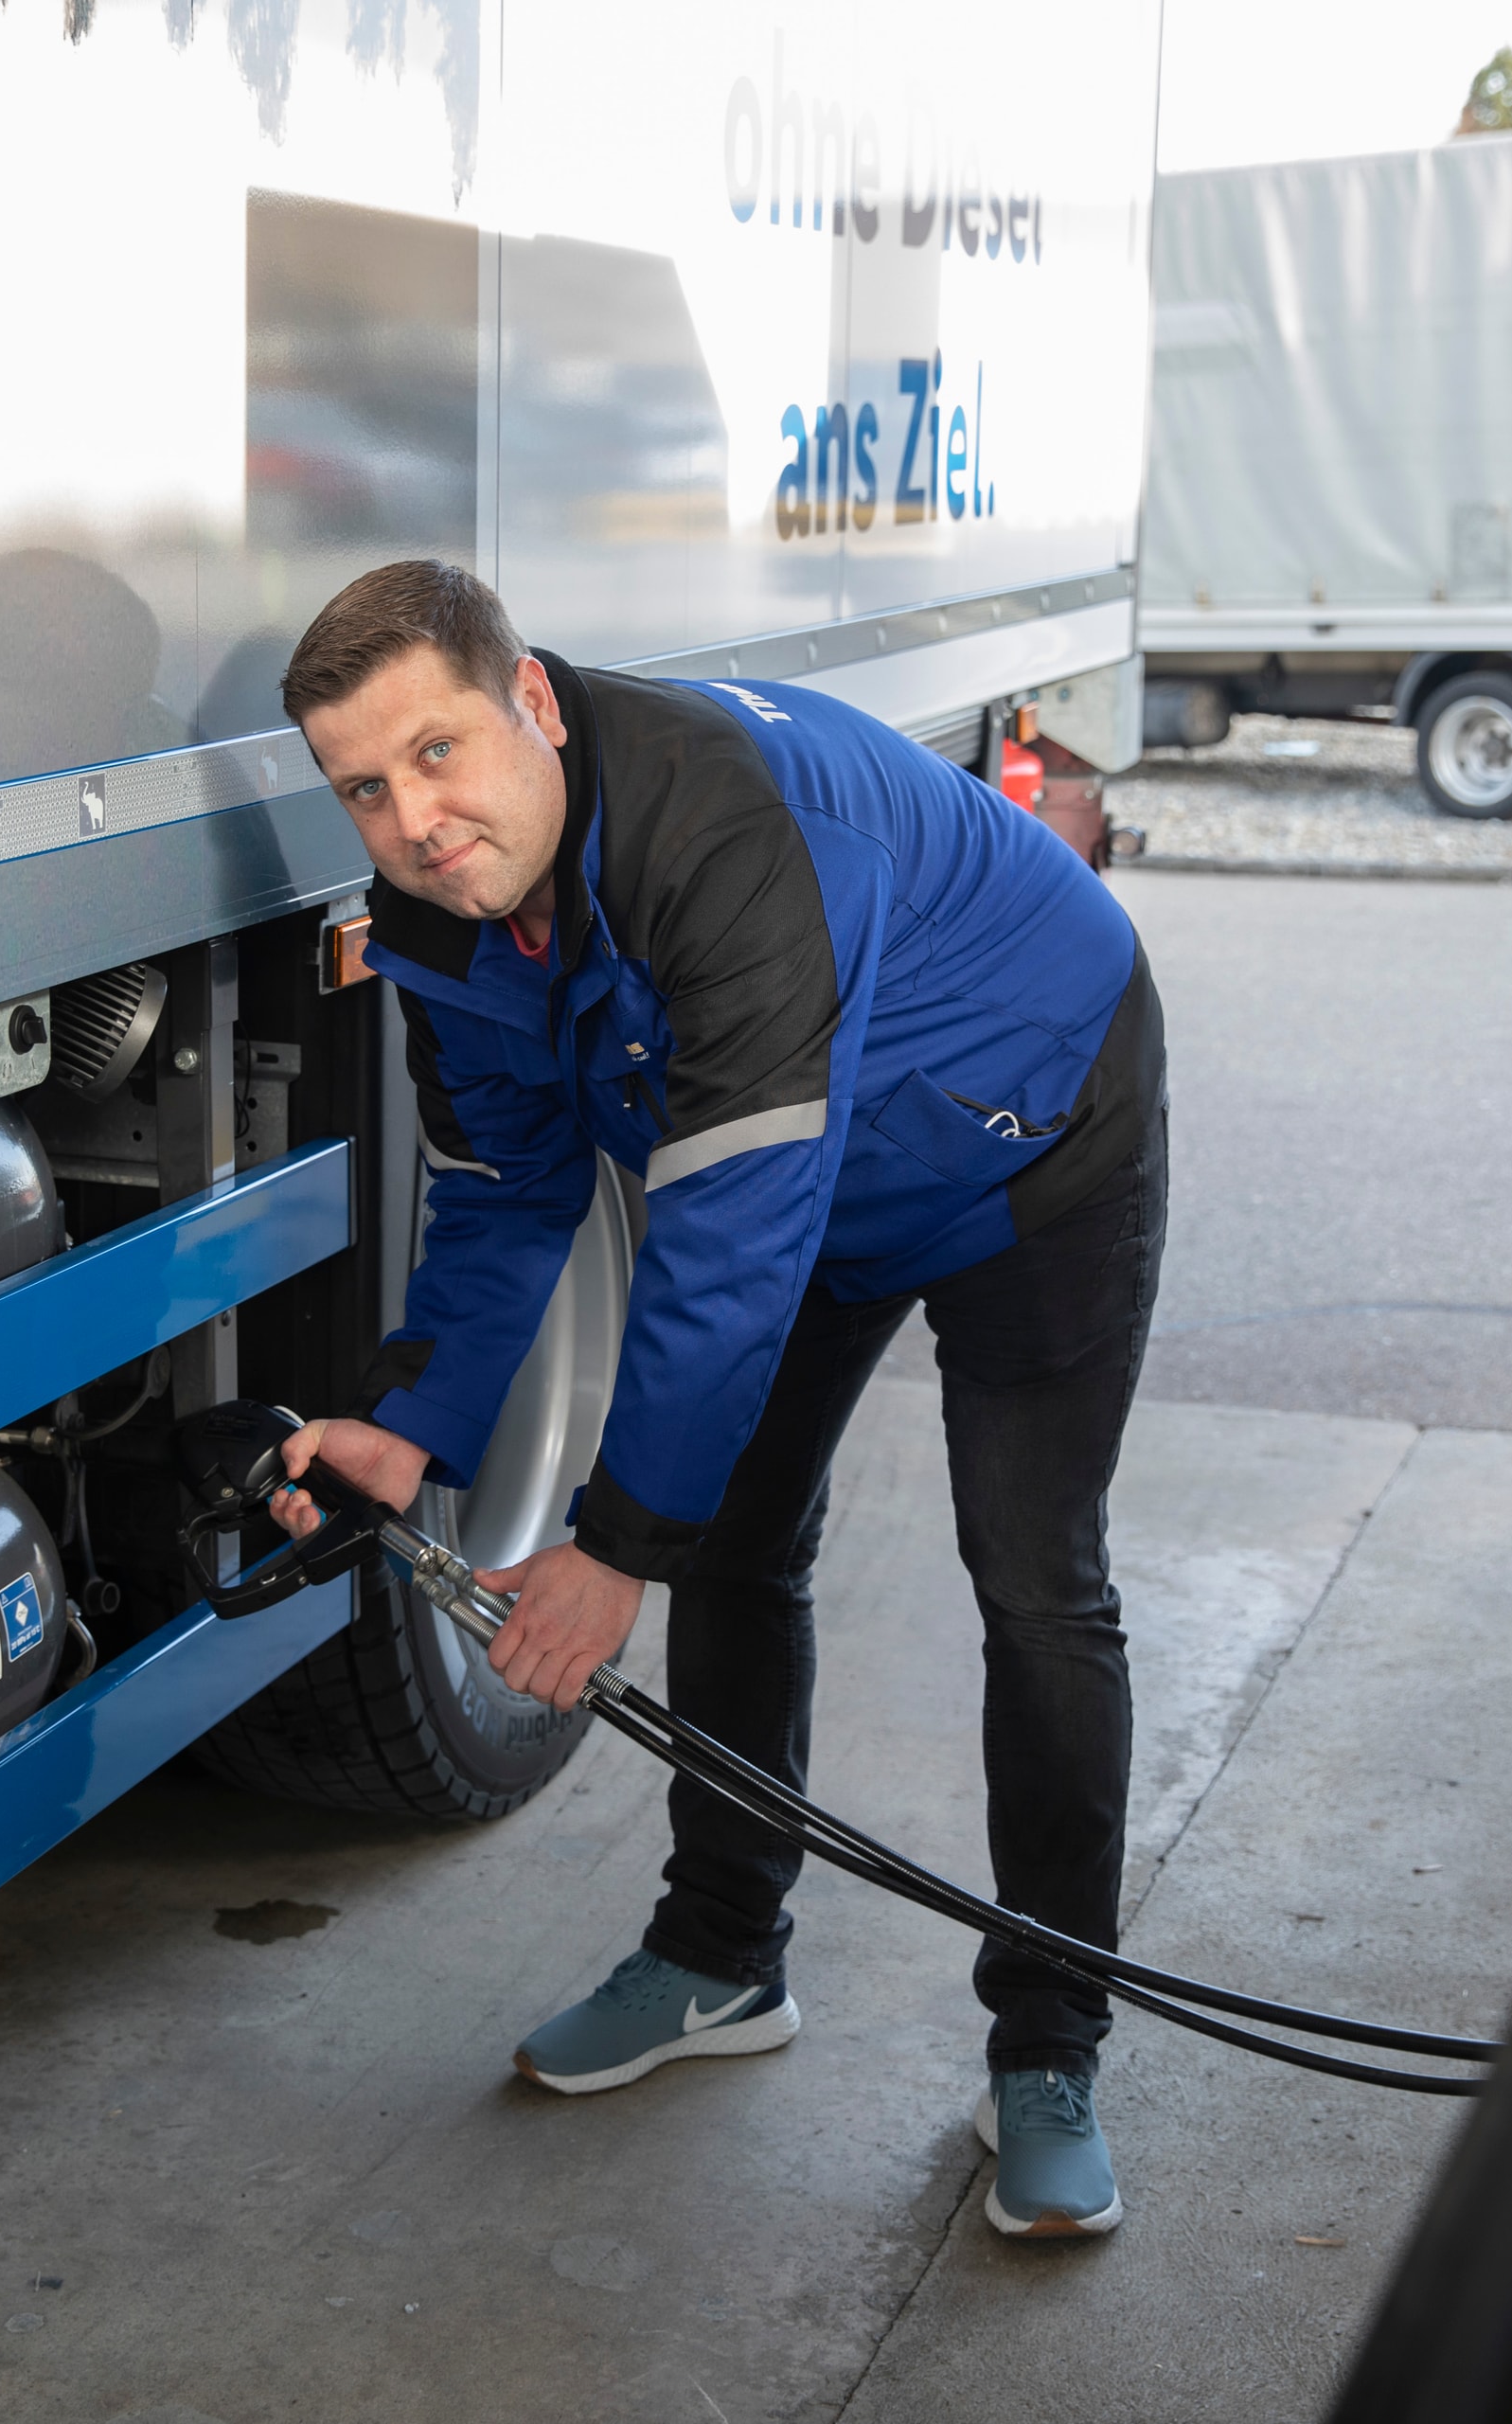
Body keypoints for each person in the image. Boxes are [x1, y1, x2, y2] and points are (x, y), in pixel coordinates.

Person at [265, 561, 1166, 2240]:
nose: (414, 819)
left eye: (440, 752)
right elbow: (508, 1189)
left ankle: (1050, 2051)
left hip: (1029, 1139)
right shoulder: (441, 917)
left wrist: (613, 1545)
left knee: (1035, 1581)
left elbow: (730, 1244)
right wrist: (421, 1421)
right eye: (365, 789)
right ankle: (720, 1957)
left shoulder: (720, 833)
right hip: (820, 1180)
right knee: (744, 1545)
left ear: (532, 699)